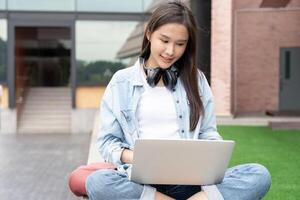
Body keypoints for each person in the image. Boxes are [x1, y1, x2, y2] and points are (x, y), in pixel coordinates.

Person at [86, 1, 271, 200]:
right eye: (164, 40)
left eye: (180, 44)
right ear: (149, 34)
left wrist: (210, 158)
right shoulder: (121, 82)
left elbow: (208, 133)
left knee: (259, 174)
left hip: (191, 181)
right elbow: (108, 142)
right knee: (98, 182)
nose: (170, 51)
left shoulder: (197, 80)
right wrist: (139, 158)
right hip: (141, 182)